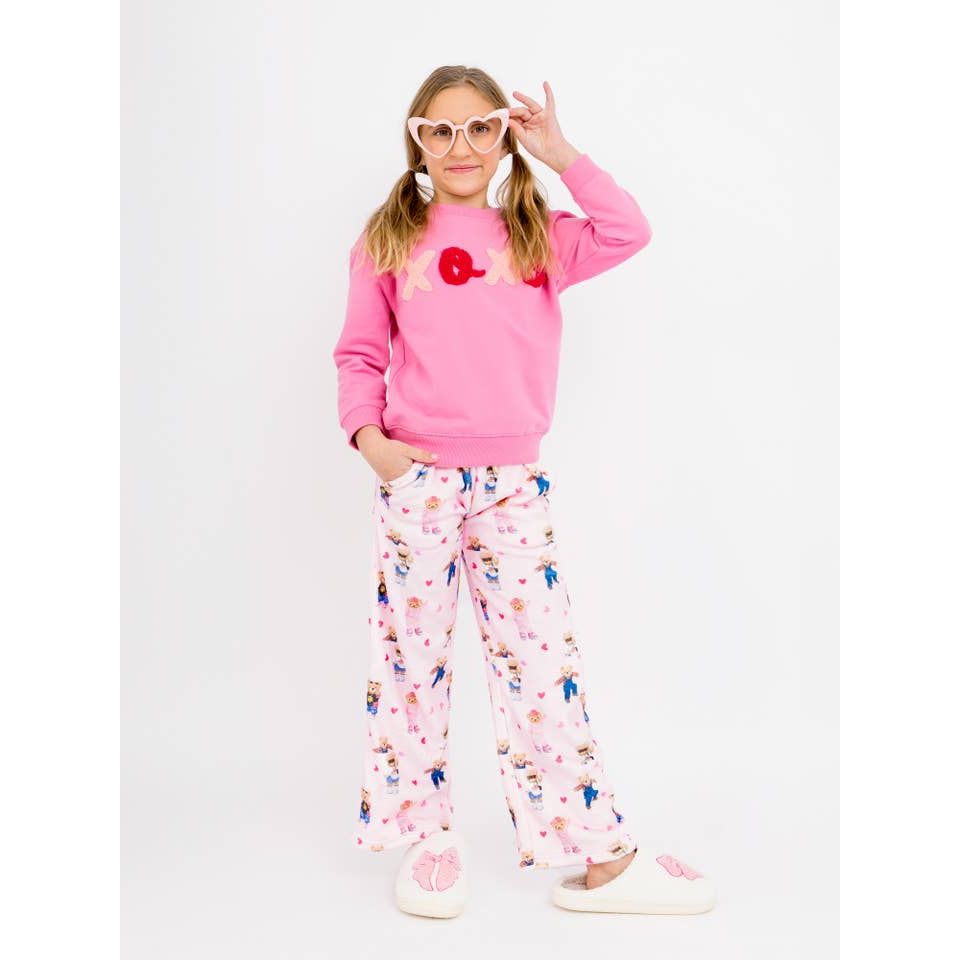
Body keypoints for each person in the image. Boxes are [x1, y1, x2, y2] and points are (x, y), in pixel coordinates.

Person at [332, 65, 717, 919]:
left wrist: (561, 153)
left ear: (504, 135)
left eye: (480, 127)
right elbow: (358, 353)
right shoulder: (387, 238)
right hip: (418, 480)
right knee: (411, 664)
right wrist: (372, 442)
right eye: (439, 130)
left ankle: (602, 858)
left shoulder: (536, 232)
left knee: (542, 666)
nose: (460, 145)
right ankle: (428, 839)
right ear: (417, 141)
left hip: (511, 486)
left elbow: (629, 229)